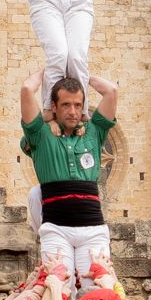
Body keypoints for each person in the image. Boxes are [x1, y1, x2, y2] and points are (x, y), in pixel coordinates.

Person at [17, 72, 123, 284]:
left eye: (77, 105)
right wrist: (49, 70)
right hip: (56, 229)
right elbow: (27, 90)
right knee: (58, 289)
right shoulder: (40, 135)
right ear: (54, 107)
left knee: (97, 292)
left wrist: (80, 73)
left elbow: (110, 91)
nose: (73, 111)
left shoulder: (94, 133)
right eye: (66, 105)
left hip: (92, 229)